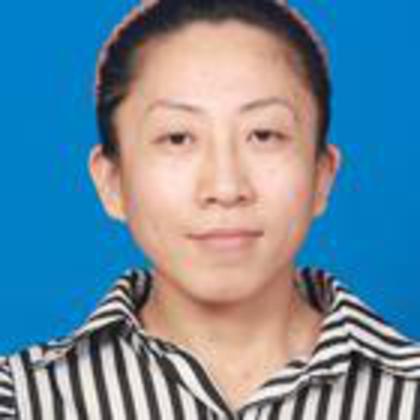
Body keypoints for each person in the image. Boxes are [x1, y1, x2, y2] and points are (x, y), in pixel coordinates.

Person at [1, 0, 420, 418]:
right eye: (178, 138)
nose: (225, 187)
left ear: (322, 176)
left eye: (264, 135)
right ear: (111, 181)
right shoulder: (21, 399)